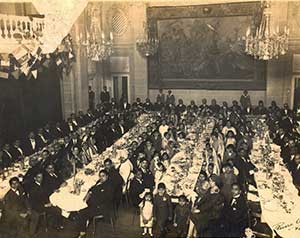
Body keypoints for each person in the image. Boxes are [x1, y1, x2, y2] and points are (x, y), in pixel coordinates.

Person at [73, 170, 114, 238]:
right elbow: (92, 188)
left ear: (107, 176)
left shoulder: (108, 186)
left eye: (103, 176)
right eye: (100, 176)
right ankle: (82, 226)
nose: (101, 177)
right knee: (81, 208)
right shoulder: (100, 182)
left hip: (101, 208)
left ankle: (82, 234)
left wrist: (89, 200)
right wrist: (89, 193)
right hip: (96, 205)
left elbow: (102, 199)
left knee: (82, 212)